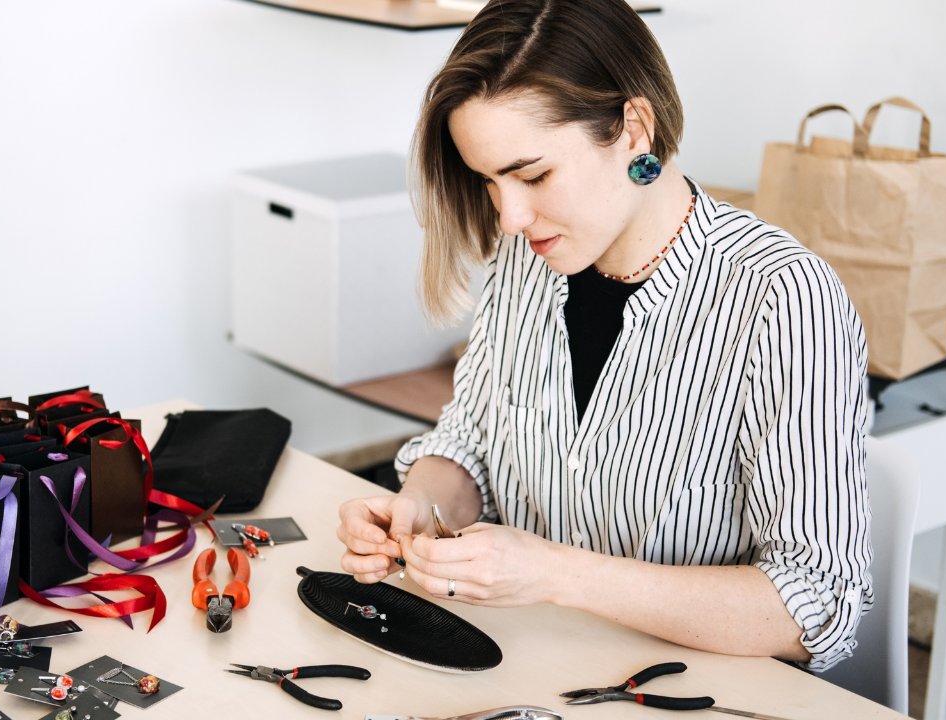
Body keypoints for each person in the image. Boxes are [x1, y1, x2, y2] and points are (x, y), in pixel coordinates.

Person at [336, 0, 871, 671]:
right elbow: (470, 442)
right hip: (530, 667)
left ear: (634, 130)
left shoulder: (781, 299)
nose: (509, 217)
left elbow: (815, 606)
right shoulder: (529, 258)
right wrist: (416, 508)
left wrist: (558, 575)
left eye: (532, 174)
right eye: (489, 182)